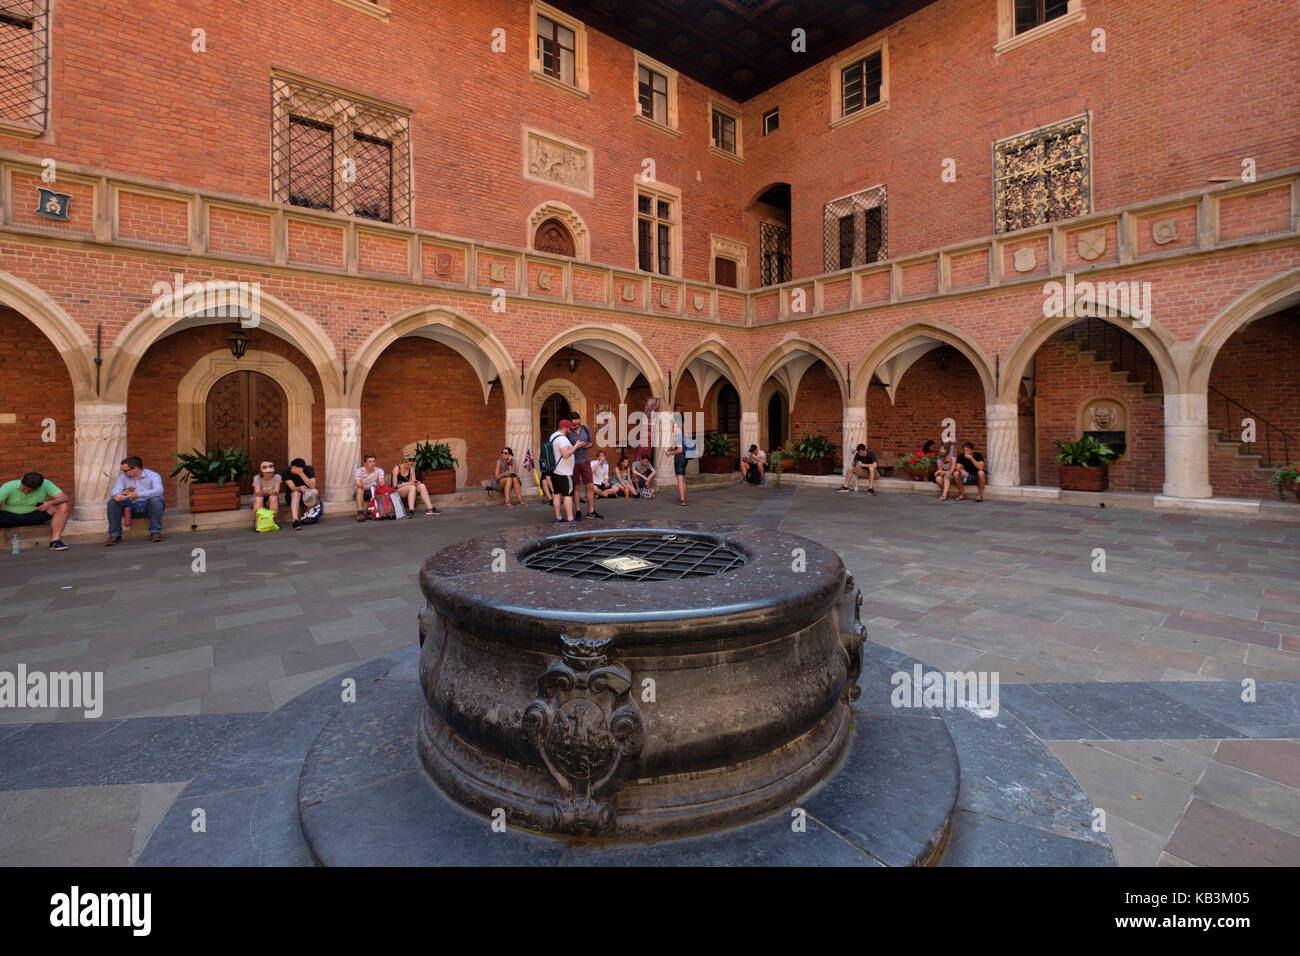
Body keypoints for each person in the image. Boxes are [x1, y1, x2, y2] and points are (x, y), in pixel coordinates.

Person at [0, 471, 71, 551]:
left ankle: (55, 541)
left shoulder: (46, 484)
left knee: (63, 505)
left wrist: (50, 503)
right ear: (21, 480)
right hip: (10, 518)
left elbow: (65, 497)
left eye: (30, 490)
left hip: (35, 516)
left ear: (38, 487)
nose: (26, 492)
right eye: (24, 488)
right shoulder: (8, 486)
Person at [106, 456, 165, 545]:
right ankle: (115, 535)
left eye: (126, 470)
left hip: (148, 506)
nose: (123, 472)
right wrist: (116, 495)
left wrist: (138, 494)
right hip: (131, 506)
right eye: (122, 470)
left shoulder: (153, 475)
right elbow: (116, 489)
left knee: (156, 499)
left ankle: (155, 532)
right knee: (112, 502)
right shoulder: (122, 477)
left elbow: (159, 490)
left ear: (136, 468)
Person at [567, 411, 601, 520]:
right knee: (576, 487)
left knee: (590, 485)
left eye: (578, 424)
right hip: (573, 463)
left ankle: (591, 511)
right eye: (574, 425)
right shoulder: (567, 432)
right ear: (570, 423)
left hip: (585, 461)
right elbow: (565, 449)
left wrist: (588, 445)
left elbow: (592, 442)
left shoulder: (585, 428)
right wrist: (575, 446)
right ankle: (578, 510)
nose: (576, 426)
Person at [548, 419, 579, 523]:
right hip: (565, 472)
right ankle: (570, 518)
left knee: (557, 494)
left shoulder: (553, 436)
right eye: (570, 428)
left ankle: (558, 517)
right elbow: (565, 454)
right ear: (565, 428)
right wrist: (576, 446)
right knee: (567, 495)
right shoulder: (563, 440)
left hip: (555, 471)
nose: (571, 430)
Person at [282, 458, 318, 530]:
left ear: (302, 468)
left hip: (305, 495)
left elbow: (312, 486)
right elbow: (292, 488)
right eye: (292, 468)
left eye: (296, 469)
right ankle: (295, 520)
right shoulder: (286, 470)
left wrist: (301, 473)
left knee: (315, 491)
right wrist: (300, 488)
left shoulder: (309, 469)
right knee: (296, 493)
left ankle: (310, 514)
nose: (293, 470)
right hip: (292, 497)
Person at [353, 453, 386, 521]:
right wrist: (365, 486)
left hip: (372, 492)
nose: (372, 463)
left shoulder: (379, 471)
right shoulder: (359, 471)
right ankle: (360, 512)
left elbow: (381, 483)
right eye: (370, 461)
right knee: (360, 489)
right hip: (361, 492)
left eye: (374, 461)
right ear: (365, 463)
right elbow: (357, 483)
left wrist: (381, 482)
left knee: (378, 490)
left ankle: (371, 512)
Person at [251, 461, 281, 530]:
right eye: (266, 472)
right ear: (262, 472)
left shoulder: (277, 477)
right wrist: (265, 491)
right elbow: (257, 493)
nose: (269, 474)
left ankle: (272, 522)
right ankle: (257, 523)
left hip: (271, 498)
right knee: (259, 498)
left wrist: (267, 491)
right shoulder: (257, 478)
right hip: (258, 499)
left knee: (273, 497)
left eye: (270, 472)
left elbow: (276, 492)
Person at [669, 415, 687, 506]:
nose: (671, 428)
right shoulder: (681, 435)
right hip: (684, 458)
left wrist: (670, 453)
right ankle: (683, 496)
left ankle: (682, 499)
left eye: (672, 426)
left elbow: (679, 450)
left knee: (680, 479)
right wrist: (672, 448)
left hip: (679, 459)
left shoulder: (678, 436)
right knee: (682, 479)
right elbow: (680, 448)